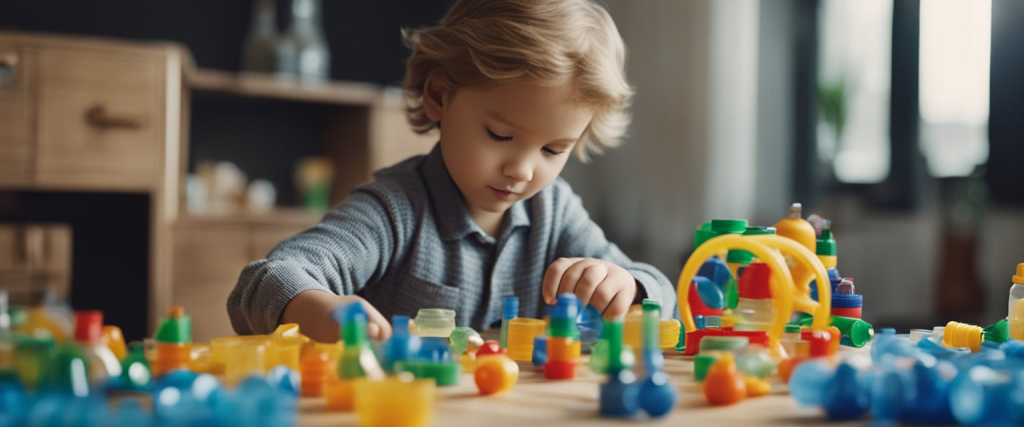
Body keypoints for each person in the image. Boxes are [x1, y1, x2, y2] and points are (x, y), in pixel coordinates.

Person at [227, 0, 677, 343]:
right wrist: (321, 312)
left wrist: (629, 285)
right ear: (439, 96)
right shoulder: (394, 209)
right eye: (500, 135)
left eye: (553, 149)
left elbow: (662, 294)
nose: (521, 169)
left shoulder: (554, 210)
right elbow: (263, 280)